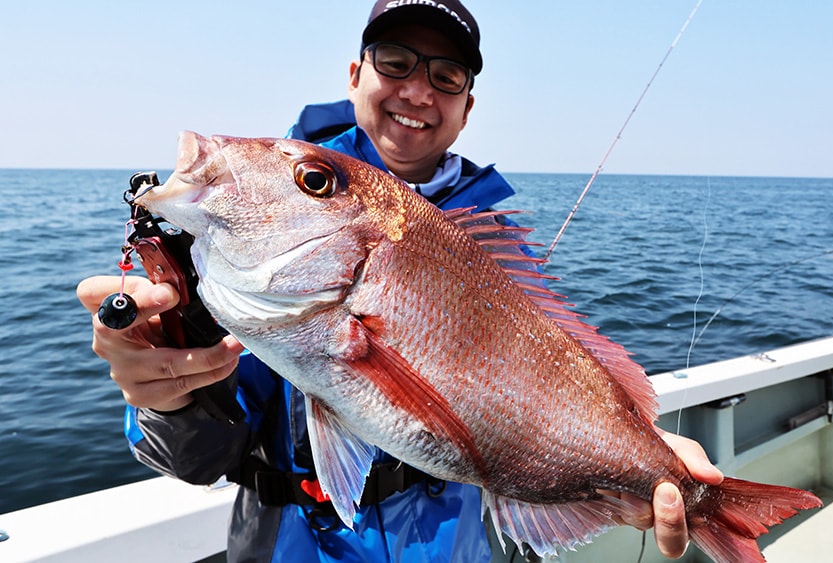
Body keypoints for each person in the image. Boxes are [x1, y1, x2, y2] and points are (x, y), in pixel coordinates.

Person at [76, 1, 723, 561]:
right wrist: (169, 399)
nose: (418, 91)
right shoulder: (248, 253)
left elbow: (551, 382)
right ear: (355, 75)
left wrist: (642, 449)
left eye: (446, 76)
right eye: (395, 61)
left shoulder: (498, 243)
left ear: (466, 108)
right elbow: (197, 458)